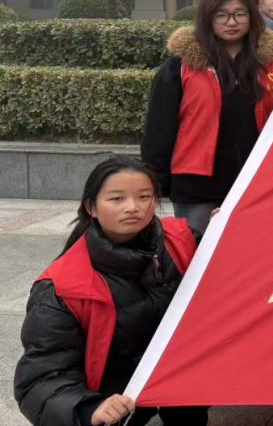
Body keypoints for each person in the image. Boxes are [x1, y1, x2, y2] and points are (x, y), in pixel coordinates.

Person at [14, 156, 208, 426]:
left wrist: (226, 230)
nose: (133, 207)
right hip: (114, 397)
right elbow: (41, 377)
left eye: (144, 197)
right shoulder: (62, 288)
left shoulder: (183, 240)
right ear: (91, 207)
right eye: (117, 199)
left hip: (180, 378)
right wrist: (87, 408)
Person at [142, 0, 273, 233]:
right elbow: (160, 128)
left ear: (252, 17)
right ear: (207, 18)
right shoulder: (180, 66)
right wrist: (156, 179)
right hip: (197, 182)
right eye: (221, 15)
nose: (231, 22)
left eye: (240, 14)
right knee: (196, 248)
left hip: (257, 179)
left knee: (252, 248)